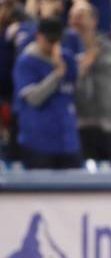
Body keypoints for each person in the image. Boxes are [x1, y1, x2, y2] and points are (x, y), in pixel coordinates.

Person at [12, 17, 81, 169]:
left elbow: (76, 92)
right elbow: (34, 99)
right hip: (38, 143)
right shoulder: (26, 62)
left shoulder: (67, 58)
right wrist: (57, 74)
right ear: (38, 36)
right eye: (49, 40)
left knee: (75, 191)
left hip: (67, 141)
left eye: (56, 40)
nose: (53, 45)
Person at [69, 1, 111, 161]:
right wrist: (81, 68)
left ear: (94, 20)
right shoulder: (64, 51)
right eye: (72, 17)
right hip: (80, 124)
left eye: (81, 16)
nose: (76, 21)